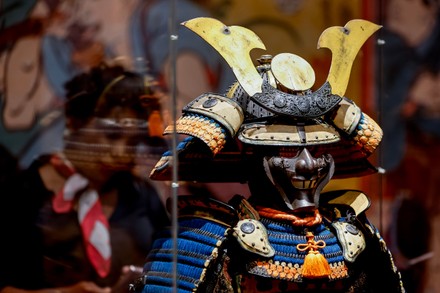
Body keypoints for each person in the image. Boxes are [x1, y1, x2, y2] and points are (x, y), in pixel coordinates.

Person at [132, 18, 405, 292]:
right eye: (286, 150)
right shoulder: (204, 236)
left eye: (319, 149)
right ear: (250, 155)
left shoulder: (351, 233)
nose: (308, 164)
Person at [0, 64, 169, 293]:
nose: (121, 153)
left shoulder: (139, 195)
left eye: (132, 142)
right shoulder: (22, 195)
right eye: (112, 135)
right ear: (74, 122)